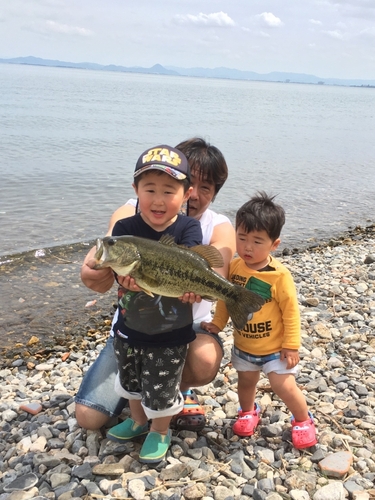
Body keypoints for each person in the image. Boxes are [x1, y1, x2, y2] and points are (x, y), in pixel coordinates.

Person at [75, 138, 236, 432]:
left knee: (205, 358)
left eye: (206, 188)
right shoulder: (132, 215)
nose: (195, 196)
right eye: (153, 188)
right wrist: (106, 269)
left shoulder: (217, 225)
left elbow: (217, 271)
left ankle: (170, 394)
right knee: (89, 418)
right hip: (131, 331)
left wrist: (197, 282)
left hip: (183, 332)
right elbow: (94, 271)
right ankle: (143, 399)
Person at [87, 144, 203, 463]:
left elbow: (194, 265)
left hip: (170, 332)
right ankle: (138, 422)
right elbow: (107, 266)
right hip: (129, 327)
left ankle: (160, 431)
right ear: (135, 189)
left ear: (187, 193)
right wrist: (112, 270)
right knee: (132, 379)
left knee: (162, 383)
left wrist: (195, 289)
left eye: (169, 190)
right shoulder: (125, 230)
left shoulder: (188, 228)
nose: (158, 199)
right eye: (149, 189)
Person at [201, 192, 317, 449]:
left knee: (283, 385)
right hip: (245, 347)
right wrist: (218, 324)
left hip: (275, 349)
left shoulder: (279, 276)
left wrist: (291, 345)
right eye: (241, 239)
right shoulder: (234, 268)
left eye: (257, 241)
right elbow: (225, 300)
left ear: (274, 244)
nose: (247, 248)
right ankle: (247, 412)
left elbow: (290, 313)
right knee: (245, 383)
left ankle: (303, 420)